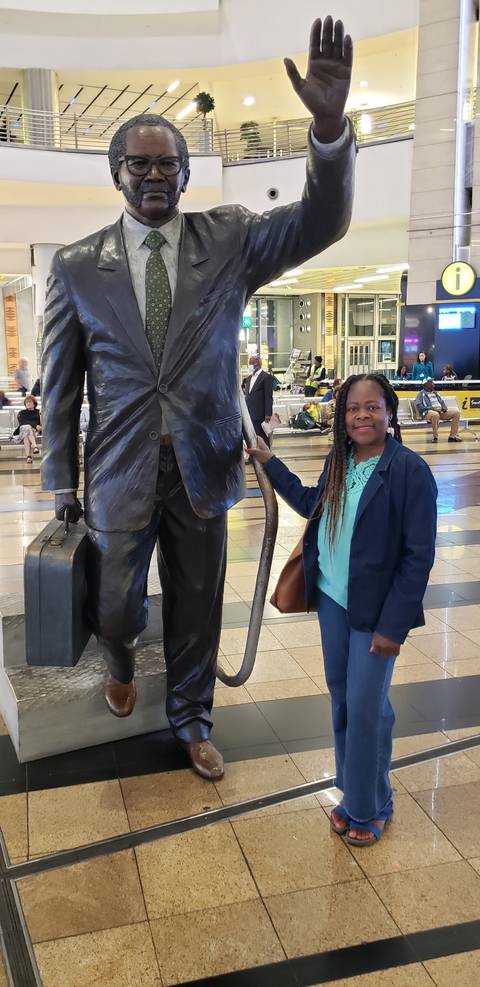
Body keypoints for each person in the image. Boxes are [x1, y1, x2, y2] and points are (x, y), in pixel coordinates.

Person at [41, 15, 356, 782]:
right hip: (118, 468)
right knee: (115, 602)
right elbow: (61, 382)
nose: (154, 177)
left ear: (186, 175)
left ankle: (192, 719)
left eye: (167, 165)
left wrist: (327, 130)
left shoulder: (231, 239)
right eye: (139, 165)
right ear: (116, 173)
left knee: (197, 603)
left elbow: (322, 221)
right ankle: (118, 658)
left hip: (206, 462)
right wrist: (60, 481)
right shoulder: (78, 266)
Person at [248, 373, 437, 845]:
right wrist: (272, 465)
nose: (361, 415)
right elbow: (314, 504)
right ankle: (356, 792)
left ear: (390, 412)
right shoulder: (341, 460)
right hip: (333, 599)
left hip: (375, 613)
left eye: (372, 407)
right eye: (353, 408)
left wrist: (394, 628)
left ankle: (369, 808)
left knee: (368, 708)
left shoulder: (409, 471)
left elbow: (418, 559)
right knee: (345, 700)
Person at [244, 355, 274, 450]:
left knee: (262, 436)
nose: (249, 366)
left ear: (256, 364)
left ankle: (267, 456)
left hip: (261, 412)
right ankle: (254, 455)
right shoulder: (249, 378)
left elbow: (268, 396)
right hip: (250, 412)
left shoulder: (266, 377)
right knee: (252, 435)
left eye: (250, 364)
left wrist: (268, 413)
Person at [13, 395, 41, 463]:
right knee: (27, 427)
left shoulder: (38, 412)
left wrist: (39, 426)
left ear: (34, 403)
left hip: (34, 431)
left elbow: (42, 422)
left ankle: (29, 457)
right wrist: (35, 425)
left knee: (26, 436)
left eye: (30, 402)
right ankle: (35, 446)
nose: (28, 403)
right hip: (22, 430)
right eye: (26, 402)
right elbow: (23, 422)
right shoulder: (22, 413)